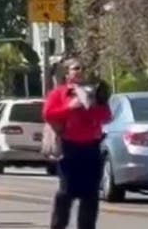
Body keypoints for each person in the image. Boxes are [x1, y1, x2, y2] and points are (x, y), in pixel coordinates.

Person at [42, 58, 111, 229]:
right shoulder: (59, 94)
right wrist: (70, 108)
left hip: (91, 148)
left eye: (83, 68)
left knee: (90, 194)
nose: (80, 71)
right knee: (66, 192)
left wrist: (95, 106)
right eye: (76, 68)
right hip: (69, 147)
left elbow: (107, 116)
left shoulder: (93, 93)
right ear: (67, 74)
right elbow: (48, 114)